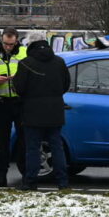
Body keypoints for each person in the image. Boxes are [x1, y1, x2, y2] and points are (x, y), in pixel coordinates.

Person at [13, 30, 71, 191]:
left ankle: (30, 181)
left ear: (30, 44)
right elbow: (66, 84)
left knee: (32, 148)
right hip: (55, 111)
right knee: (56, 146)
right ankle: (62, 181)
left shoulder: (25, 63)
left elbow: (19, 88)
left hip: (32, 112)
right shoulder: (59, 62)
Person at [0, 28, 27, 187]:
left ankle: (26, 175)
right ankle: (1, 175)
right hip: (2, 102)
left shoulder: (24, 53)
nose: (8, 47)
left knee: (24, 140)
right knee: (2, 141)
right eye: (5, 44)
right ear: (2, 40)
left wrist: (19, 80)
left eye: (11, 44)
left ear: (16, 41)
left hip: (20, 102)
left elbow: (30, 74)